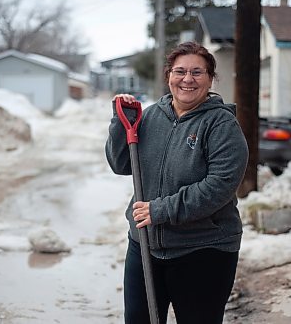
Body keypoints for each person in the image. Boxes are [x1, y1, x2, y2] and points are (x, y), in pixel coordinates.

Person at [105, 41, 249, 324]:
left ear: (210, 78)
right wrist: (120, 124)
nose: (187, 79)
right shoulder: (151, 117)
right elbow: (121, 165)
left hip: (202, 250)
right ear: (168, 75)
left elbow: (219, 186)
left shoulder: (221, 125)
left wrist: (161, 210)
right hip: (144, 243)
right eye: (179, 71)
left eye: (197, 72)